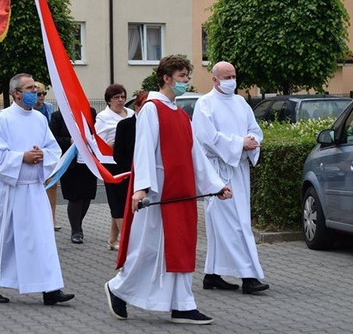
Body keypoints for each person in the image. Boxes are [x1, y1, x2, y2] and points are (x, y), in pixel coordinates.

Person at [105, 55, 232, 325]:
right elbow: (144, 149)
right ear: (167, 78)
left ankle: (182, 304)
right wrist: (142, 189)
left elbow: (195, 154)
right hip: (159, 193)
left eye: (187, 76)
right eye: (183, 76)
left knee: (180, 246)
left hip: (181, 192)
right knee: (149, 249)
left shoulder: (181, 115)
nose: (186, 81)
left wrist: (216, 185)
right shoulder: (152, 108)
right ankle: (119, 288)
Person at [0, 73, 74, 306]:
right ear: (16, 93)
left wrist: (42, 157)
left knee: (42, 238)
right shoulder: (4, 119)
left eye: (36, 89)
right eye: (30, 89)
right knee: (2, 237)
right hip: (9, 190)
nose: (35, 93)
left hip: (33, 189)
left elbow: (53, 149)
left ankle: (49, 288)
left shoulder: (40, 120)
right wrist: (22, 158)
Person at [192, 61, 269, 295]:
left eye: (234, 75)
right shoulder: (204, 104)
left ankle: (212, 274)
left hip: (239, 169)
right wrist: (238, 143)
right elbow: (207, 137)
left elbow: (254, 129)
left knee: (227, 224)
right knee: (233, 224)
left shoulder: (240, 102)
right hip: (218, 172)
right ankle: (248, 276)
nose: (231, 81)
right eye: (227, 77)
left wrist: (252, 141)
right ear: (214, 79)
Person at [50, 106, 98, 244]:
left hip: (88, 160)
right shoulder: (58, 117)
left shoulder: (90, 112)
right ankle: (76, 230)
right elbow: (53, 138)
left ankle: (78, 223)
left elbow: (95, 131)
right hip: (70, 162)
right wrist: (69, 141)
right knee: (75, 196)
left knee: (87, 196)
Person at [95, 84, 135, 250]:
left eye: (123, 97)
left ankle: (113, 239)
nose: (120, 100)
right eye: (117, 97)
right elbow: (97, 142)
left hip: (129, 161)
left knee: (124, 199)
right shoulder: (103, 117)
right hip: (112, 164)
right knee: (117, 200)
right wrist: (115, 144)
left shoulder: (131, 114)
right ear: (109, 100)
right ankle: (129, 241)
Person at [32, 82, 59, 231]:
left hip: (46, 149)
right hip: (32, 148)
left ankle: (52, 218)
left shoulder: (48, 108)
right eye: (38, 94)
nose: (41, 97)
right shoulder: (27, 109)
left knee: (52, 184)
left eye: (44, 94)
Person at [112, 92, 148, 181]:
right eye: (145, 105)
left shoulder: (156, 124)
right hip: (130, 174)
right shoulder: (125, 125)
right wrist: (132, 170)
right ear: (137, 107)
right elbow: (118, 154)